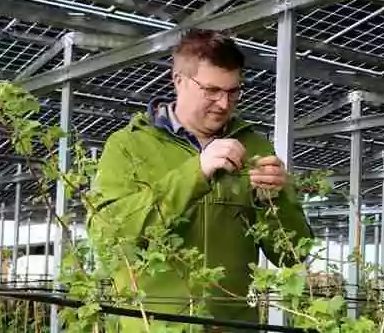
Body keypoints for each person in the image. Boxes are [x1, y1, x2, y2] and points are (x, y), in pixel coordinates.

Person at [88, 29, 314, 332]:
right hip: (153, 327)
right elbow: (107, 235)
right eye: (211, 90)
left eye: (233, 91)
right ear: (178, 80)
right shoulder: (129, 145)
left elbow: (291, 254)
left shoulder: (255, 146)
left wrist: (277, 197)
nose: (224, 103)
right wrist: (195, 172)